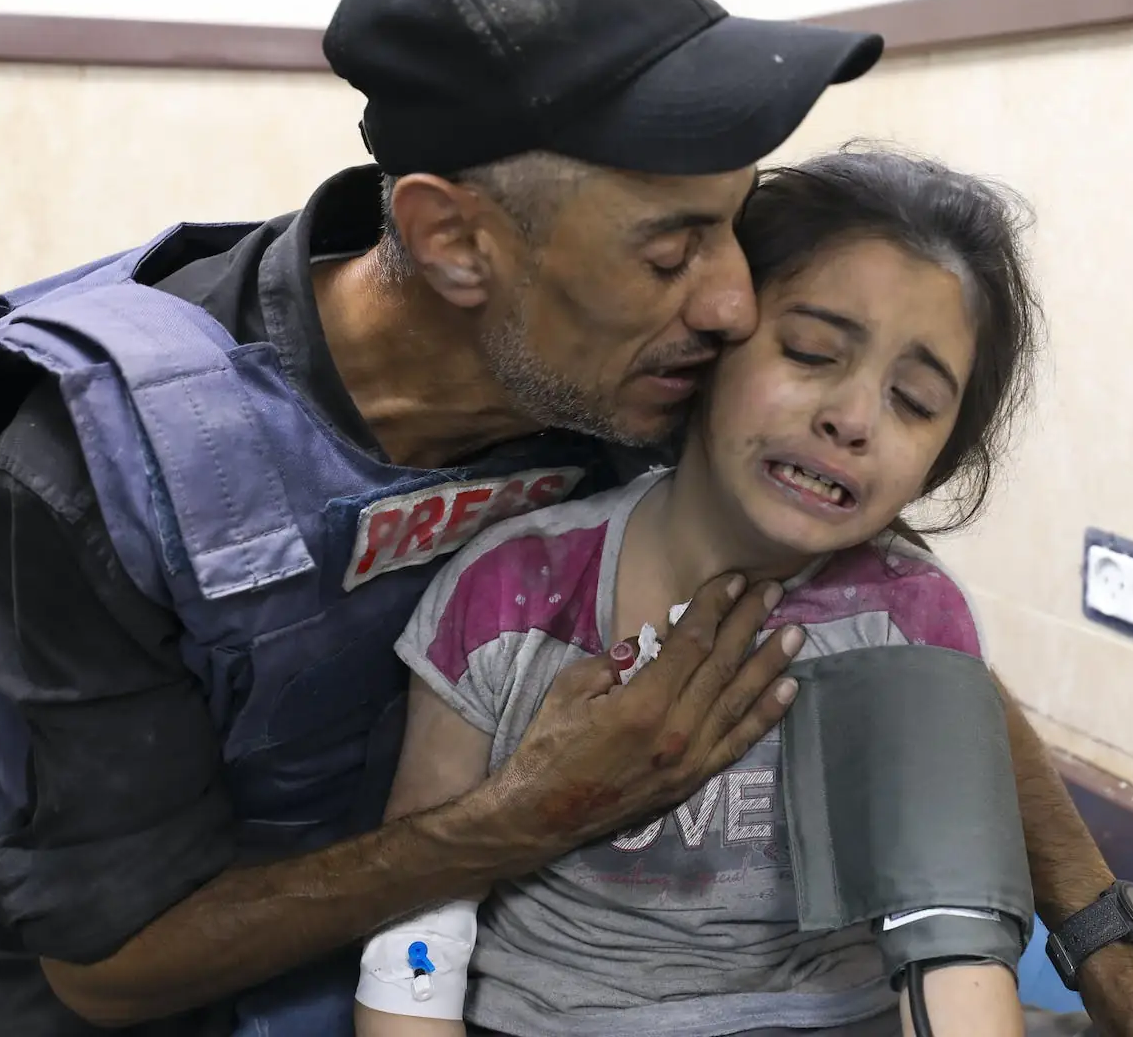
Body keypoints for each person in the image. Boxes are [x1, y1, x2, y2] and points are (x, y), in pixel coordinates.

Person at [0, 0, 1133, 1037]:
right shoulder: (111, 460)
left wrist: (1131, 971)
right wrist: (524, 817)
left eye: (730, 229)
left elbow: (898, 642)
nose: (732, 304)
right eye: (673, 249)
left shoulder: (640, 365)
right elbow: (99, 968)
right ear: (453, 242)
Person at [353, 147, 1041, 1037]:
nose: (854, 419)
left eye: (912, 401)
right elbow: (419, 913)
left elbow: (952, 951)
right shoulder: (511, 593)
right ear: (712, 344)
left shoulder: (906, 620)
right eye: (810, 352)